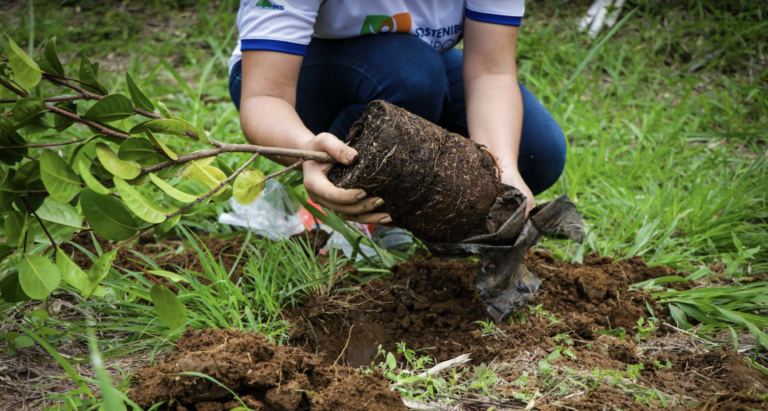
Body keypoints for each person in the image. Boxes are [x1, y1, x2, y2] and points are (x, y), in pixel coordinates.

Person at [228, 0, 566, 226]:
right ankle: (332, 202)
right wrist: (308, 151)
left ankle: (399, 213)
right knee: (413, 74)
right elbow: (264, 96)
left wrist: (501, 168)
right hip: (288, 75)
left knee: (536, 153)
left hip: (410, 66)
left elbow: (491, 72)